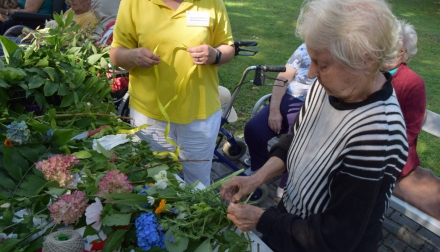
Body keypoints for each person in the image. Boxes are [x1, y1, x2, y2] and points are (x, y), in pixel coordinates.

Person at [220, 0, 408, 250]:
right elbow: (294, 139)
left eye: (322, 64)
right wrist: (255, 179)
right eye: (313, 60)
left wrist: (261, 218)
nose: (311, 74)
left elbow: (336, 237)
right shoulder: (328, 85)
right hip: (291, 222)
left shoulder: (377, 138)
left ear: (366, 60)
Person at [109, 0, 235, 187]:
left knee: (198, 185)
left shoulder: (212, 2)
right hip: (149, 116)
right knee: (155, 182)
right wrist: (132, 56)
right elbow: (116, 53)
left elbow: (228, 47)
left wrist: (215, 54)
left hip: (200, 114)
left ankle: (193, 216)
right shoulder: (133, 3)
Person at [243, 42, 316, 199]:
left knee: (296, 143)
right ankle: (260, 167)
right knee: (253, 128)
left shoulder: (343, 52)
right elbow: (283, 77)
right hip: (287, 99)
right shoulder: (305, 47)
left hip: (313, 106)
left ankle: (286, 184)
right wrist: (274, 110)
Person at [382, 20, 426, 178]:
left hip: (396, 156)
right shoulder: (371, 73)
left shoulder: (413, 82)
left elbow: (411, 130)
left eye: (393, 49)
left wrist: (382, 149)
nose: (385, 53)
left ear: (403, 53)